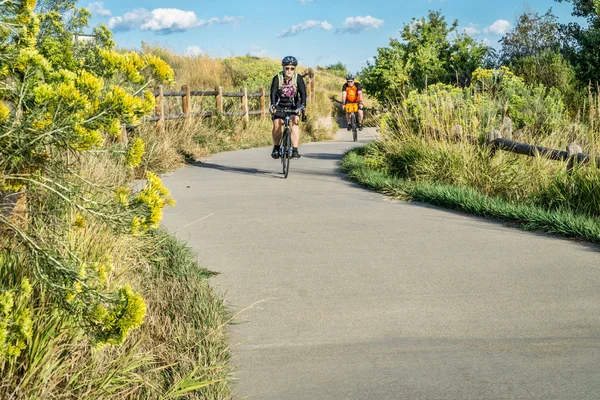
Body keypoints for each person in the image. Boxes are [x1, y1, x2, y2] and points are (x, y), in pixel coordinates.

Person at [269, 56, 307, 159]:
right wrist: (272, 105)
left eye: (292, 68)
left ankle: (294, 150)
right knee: (277, 125)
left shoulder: (298, 78)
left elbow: (303, 93)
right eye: (287, 68)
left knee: (294, 123)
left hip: (293, 105)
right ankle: (276, 147)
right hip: (279, 104)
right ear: (283, 68)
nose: (289, 70)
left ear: (294, 69)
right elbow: (272, 93)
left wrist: (302, 106)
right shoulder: (277, 78)